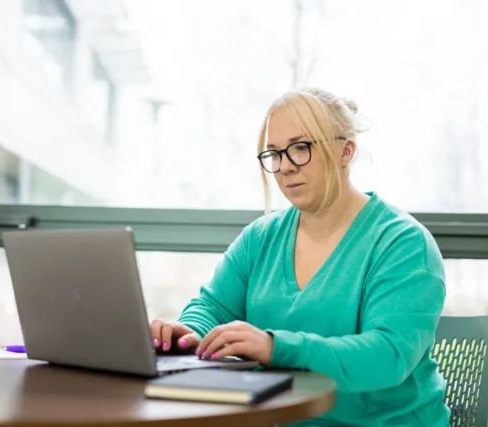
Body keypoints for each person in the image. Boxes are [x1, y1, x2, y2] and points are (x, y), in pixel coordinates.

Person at [149, 87, 450, 426]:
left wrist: (274, 347)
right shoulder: (259, 239)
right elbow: (213, 308)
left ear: (345, 151)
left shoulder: (402, 244)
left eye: (301, 148)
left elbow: (388, 355)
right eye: (275, 154)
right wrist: (187, 332)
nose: (285, 167)